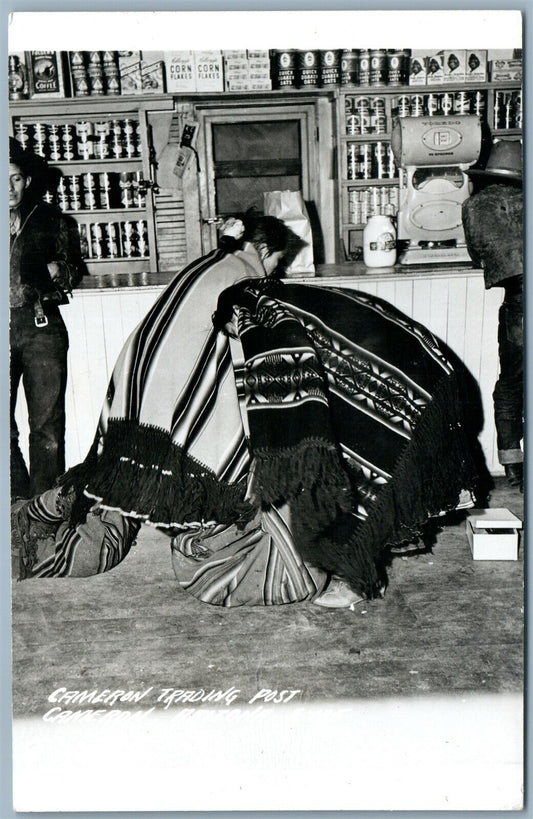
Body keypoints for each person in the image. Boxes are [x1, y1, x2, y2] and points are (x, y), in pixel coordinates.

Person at [12, 214, 481, 608]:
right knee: (271, 469)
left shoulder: (205, 265)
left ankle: (36, 522)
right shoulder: (245, 279)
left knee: (110, 503)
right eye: (278, 262)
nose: (277, 274)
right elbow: (253, 352)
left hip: (132, 409)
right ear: (262, 248)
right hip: (169, 416)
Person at [9, 137, 85, 501]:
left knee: (47, 428)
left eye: (16, 178)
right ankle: (14, 505)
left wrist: (59, 270)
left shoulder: (51, 219)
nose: (9, 187)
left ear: (27, 180)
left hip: (40, 327)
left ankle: (44, 508)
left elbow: (72, 271)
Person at [462, 139, 523, 490]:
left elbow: (478, 257)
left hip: (517, 306)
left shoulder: (474, 207)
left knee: (511, 386)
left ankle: (513, 466)